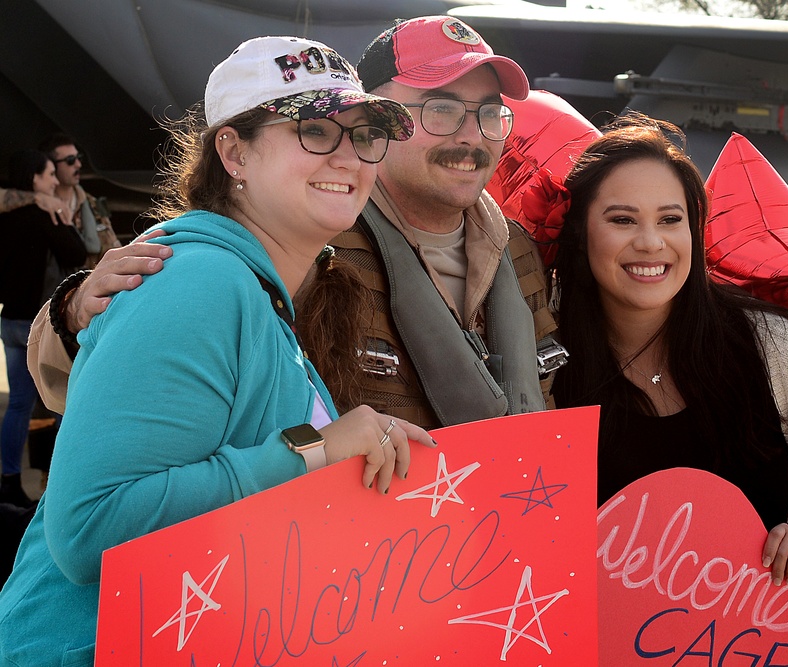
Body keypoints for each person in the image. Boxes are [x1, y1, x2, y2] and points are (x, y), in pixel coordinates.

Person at [0, 35, 433, 665]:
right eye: (315, 129)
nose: (349, 157)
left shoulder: (258, 288)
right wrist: (314, 450)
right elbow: (91, 529)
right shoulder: (201, 283)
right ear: (232, 152)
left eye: (364, 135)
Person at [29, 16, 562, 430]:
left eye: (489, 112)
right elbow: (100, 407)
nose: (471, 136)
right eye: (440, 110)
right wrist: (78, 313)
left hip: (493, 547)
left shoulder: (517, 251)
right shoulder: (299, 236)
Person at [547, 112, 788, 586]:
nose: (651, 242)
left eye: (671, 219)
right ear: (579, 234)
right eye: (622, 220)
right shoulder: (539, 360)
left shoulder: (781, 349)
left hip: (752, 647)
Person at [0, 151, 87, 508]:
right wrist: (64, 220)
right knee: (62, 404)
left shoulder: (6, 216)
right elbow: (76, 254)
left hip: (9, 322)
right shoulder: (43, 214)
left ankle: (9, 481)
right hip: (39, 325)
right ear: (35, 178)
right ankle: (61, 492)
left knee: (18, 405)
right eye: (49, 174)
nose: (54, 181)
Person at [39, 134, 122, 268]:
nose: (78, 164)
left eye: (79, 158)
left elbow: (112, 247)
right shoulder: (40, 207)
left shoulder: (92, 205)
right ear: (52, 166)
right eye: (70, 160)